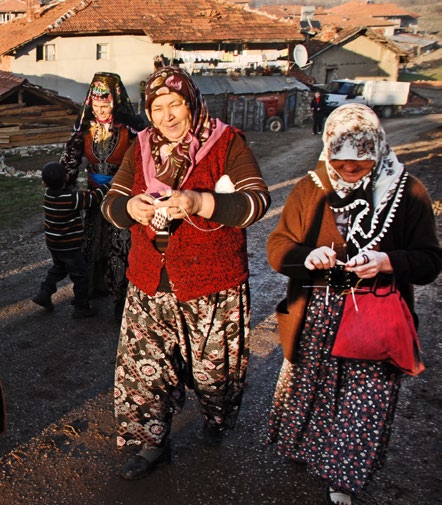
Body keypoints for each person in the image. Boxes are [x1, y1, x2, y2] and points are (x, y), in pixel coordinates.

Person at [101, 66, 271, 480]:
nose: (167, 116)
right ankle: (152, 443)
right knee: (145, 371)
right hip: (148, 281)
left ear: (191, 103)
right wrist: (130, 209)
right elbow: (111, 203)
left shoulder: (226, 141)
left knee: (214, 375)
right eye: (157, 108)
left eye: (175, 104)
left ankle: (215, 421)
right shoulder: (140, 145)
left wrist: (200, 202)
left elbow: (257, 202)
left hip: (213, 282)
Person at [266, 104, 441, 504]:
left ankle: (343, 475)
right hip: (316, 315)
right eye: (340, 162)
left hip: (375, 316)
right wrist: (305, 258)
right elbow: (277, 247)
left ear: (377, 151)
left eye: (360, 165)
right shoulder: (310, 187)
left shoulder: (407, 191)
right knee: (310, 389)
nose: (348, 171)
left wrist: (387, 261)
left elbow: (430, 261)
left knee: (363, 401)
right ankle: (309, 452)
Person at [59, 72, 145, 321]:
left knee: (121, 244)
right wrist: (63, 187)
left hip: (122, 198)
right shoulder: (84, 128)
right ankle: (88, 294)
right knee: (92, 243)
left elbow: (144, 164)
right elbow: (70, 161)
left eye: (105, 105)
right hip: (94, 199)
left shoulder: (133, 131)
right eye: (96, 105)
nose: (101, 110)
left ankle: (121, 300)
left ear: (115, 103)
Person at [32, 162, 111, 319]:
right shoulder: (72, 199)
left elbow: (72, 195)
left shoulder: (49, 195)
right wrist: (109, 185)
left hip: (54, 245)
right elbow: (93, 198)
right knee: (81, 275)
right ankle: (81, 306)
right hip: (70, 247)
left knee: (59, 268)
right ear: (67, 177)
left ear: (44, 183)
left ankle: (45, 292)